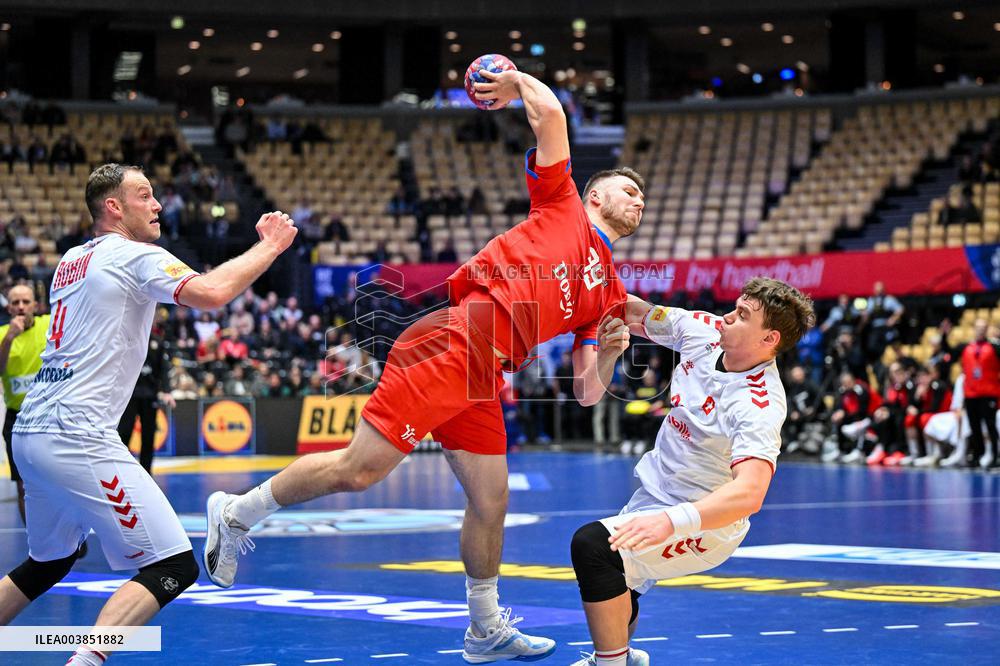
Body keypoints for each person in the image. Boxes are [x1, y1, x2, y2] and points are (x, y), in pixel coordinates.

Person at [204, 66, 646, 664]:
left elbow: (589, 394)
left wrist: (613, 354)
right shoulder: (561, 203)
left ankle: (485, 628)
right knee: (360, 471)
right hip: (457, 339)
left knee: (491, 502)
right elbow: (552, 118)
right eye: (627, 189)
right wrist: (517, 82)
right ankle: (235, 513)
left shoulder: (610, 293)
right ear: (595, 195)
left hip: (488, 373)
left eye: (642, 195)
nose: (637, 198)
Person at [0, 163, 298, 666]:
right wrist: (270, 246)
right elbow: (211, 294)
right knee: (174, 564)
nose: (157, 204)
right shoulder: (133, 255)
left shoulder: (71, 260)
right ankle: (86, 662)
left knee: (47, 563)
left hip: (30, 431)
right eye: (145, 195)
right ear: (113, 207)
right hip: (77, 434)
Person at [568, 278, 815, 666]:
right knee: (621, 586)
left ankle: (611, 663)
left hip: (704, 523)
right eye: (736, 307)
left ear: (768, 339)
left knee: (594, 547)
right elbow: (634, 310)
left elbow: (750, 493)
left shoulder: (758, 403)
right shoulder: (703, 329)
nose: (728, 317)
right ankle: (622, 657)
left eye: (742, 316)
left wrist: (672, 521)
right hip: (655, 493)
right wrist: (578, 294)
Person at [0, 283, 51, 523]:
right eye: (15, 303)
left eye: (25, 302)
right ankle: (36, 544)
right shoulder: (2, 335)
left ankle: (72, 538)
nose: (21, 307)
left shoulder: (49, 325)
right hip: (16, 419)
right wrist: (9, 338)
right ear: (9, 308)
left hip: (49, 416)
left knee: (58, 481)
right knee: (23, 486)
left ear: (36, 306)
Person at [116, 328, 175, 473]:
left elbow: (163, 368)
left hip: (150, 395)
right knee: (124, 433)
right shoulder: (128, 338)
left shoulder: (157, 341)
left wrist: (167, 392)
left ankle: (146, 473)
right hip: (129, 394)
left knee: (148, 436)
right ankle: (121, 471)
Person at [958, 318, 1000, 468]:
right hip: (971, 394)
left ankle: (995, 456)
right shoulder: (967, 347)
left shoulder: (994, 347)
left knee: (990, 426)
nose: (981, 330)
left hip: (989, 393)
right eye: (978, 327)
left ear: (987, 329)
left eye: (984, 328)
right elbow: (949, 352)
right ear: (974, 329)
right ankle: (978, 455)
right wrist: (944, 336)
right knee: (974, 427)